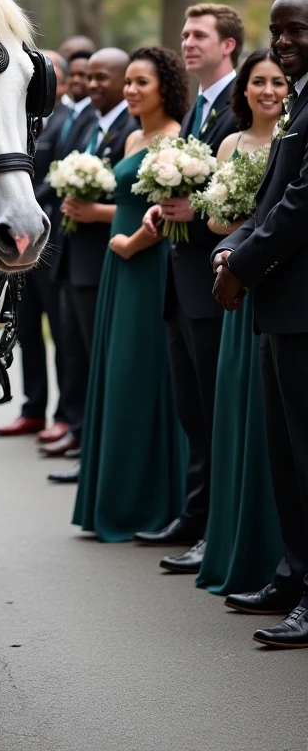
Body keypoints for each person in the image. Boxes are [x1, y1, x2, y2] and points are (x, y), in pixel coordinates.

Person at [212, 0, 308, 649]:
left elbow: (302, 203)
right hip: (284, 305)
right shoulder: (303, 99)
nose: (281, 42)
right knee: (285, 453)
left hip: (303, 306)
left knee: (306, 454)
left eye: (294, 31)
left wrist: (242, 263)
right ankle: (293, 572)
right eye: (276, 32)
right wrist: (237, 252)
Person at [168, 51, 285, 587]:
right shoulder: (231, 144)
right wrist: (240, 226)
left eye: (277, 81)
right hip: (236, 284)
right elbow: (213, 219)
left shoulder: (292, 138)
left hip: (276, 284)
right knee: (229, 419)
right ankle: (225, 532)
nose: (267, 90)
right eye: (258, 81)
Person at [72, 47, 190, 540]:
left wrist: (128, 242)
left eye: (142, 82)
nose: (131, 91)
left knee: (141, 377)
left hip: (144, 264)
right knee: (116, 378)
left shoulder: (175, 139)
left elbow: (169, 213)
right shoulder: (133, 139)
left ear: (165, 86)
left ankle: (149, 503)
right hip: (120, 268)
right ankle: (113, 499)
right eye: (130, 83)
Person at [136, 5, 241, 554]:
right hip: (178, 282)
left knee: (213, 410)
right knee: (191, 408)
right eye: (184, 34)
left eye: (199, 34)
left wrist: (194, 212)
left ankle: (214, 527)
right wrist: (163, 208)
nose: (188, 42)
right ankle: (194, 514)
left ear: (227, 45)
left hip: (215, 282)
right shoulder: (197, 108)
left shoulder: (238, 103)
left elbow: (240, 193)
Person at [45, 49, 137, 481]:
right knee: (74, 350)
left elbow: (128, 200)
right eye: (91, 78)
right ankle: (80, 431)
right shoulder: (88, 122)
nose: (95, 84)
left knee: (96, 354)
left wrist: (94, 212)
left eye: (104, 77)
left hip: (102, 257)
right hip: (71, 254)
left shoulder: (129, 128)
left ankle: (91, 443)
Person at [0, 51, 68, 437]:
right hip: (14, 236)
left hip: (47, 236)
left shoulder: (66, 120)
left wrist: (25, 205)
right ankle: (33, 408)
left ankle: (65, 415)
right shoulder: (10, 115)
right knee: (26, 329)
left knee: (60, 332)